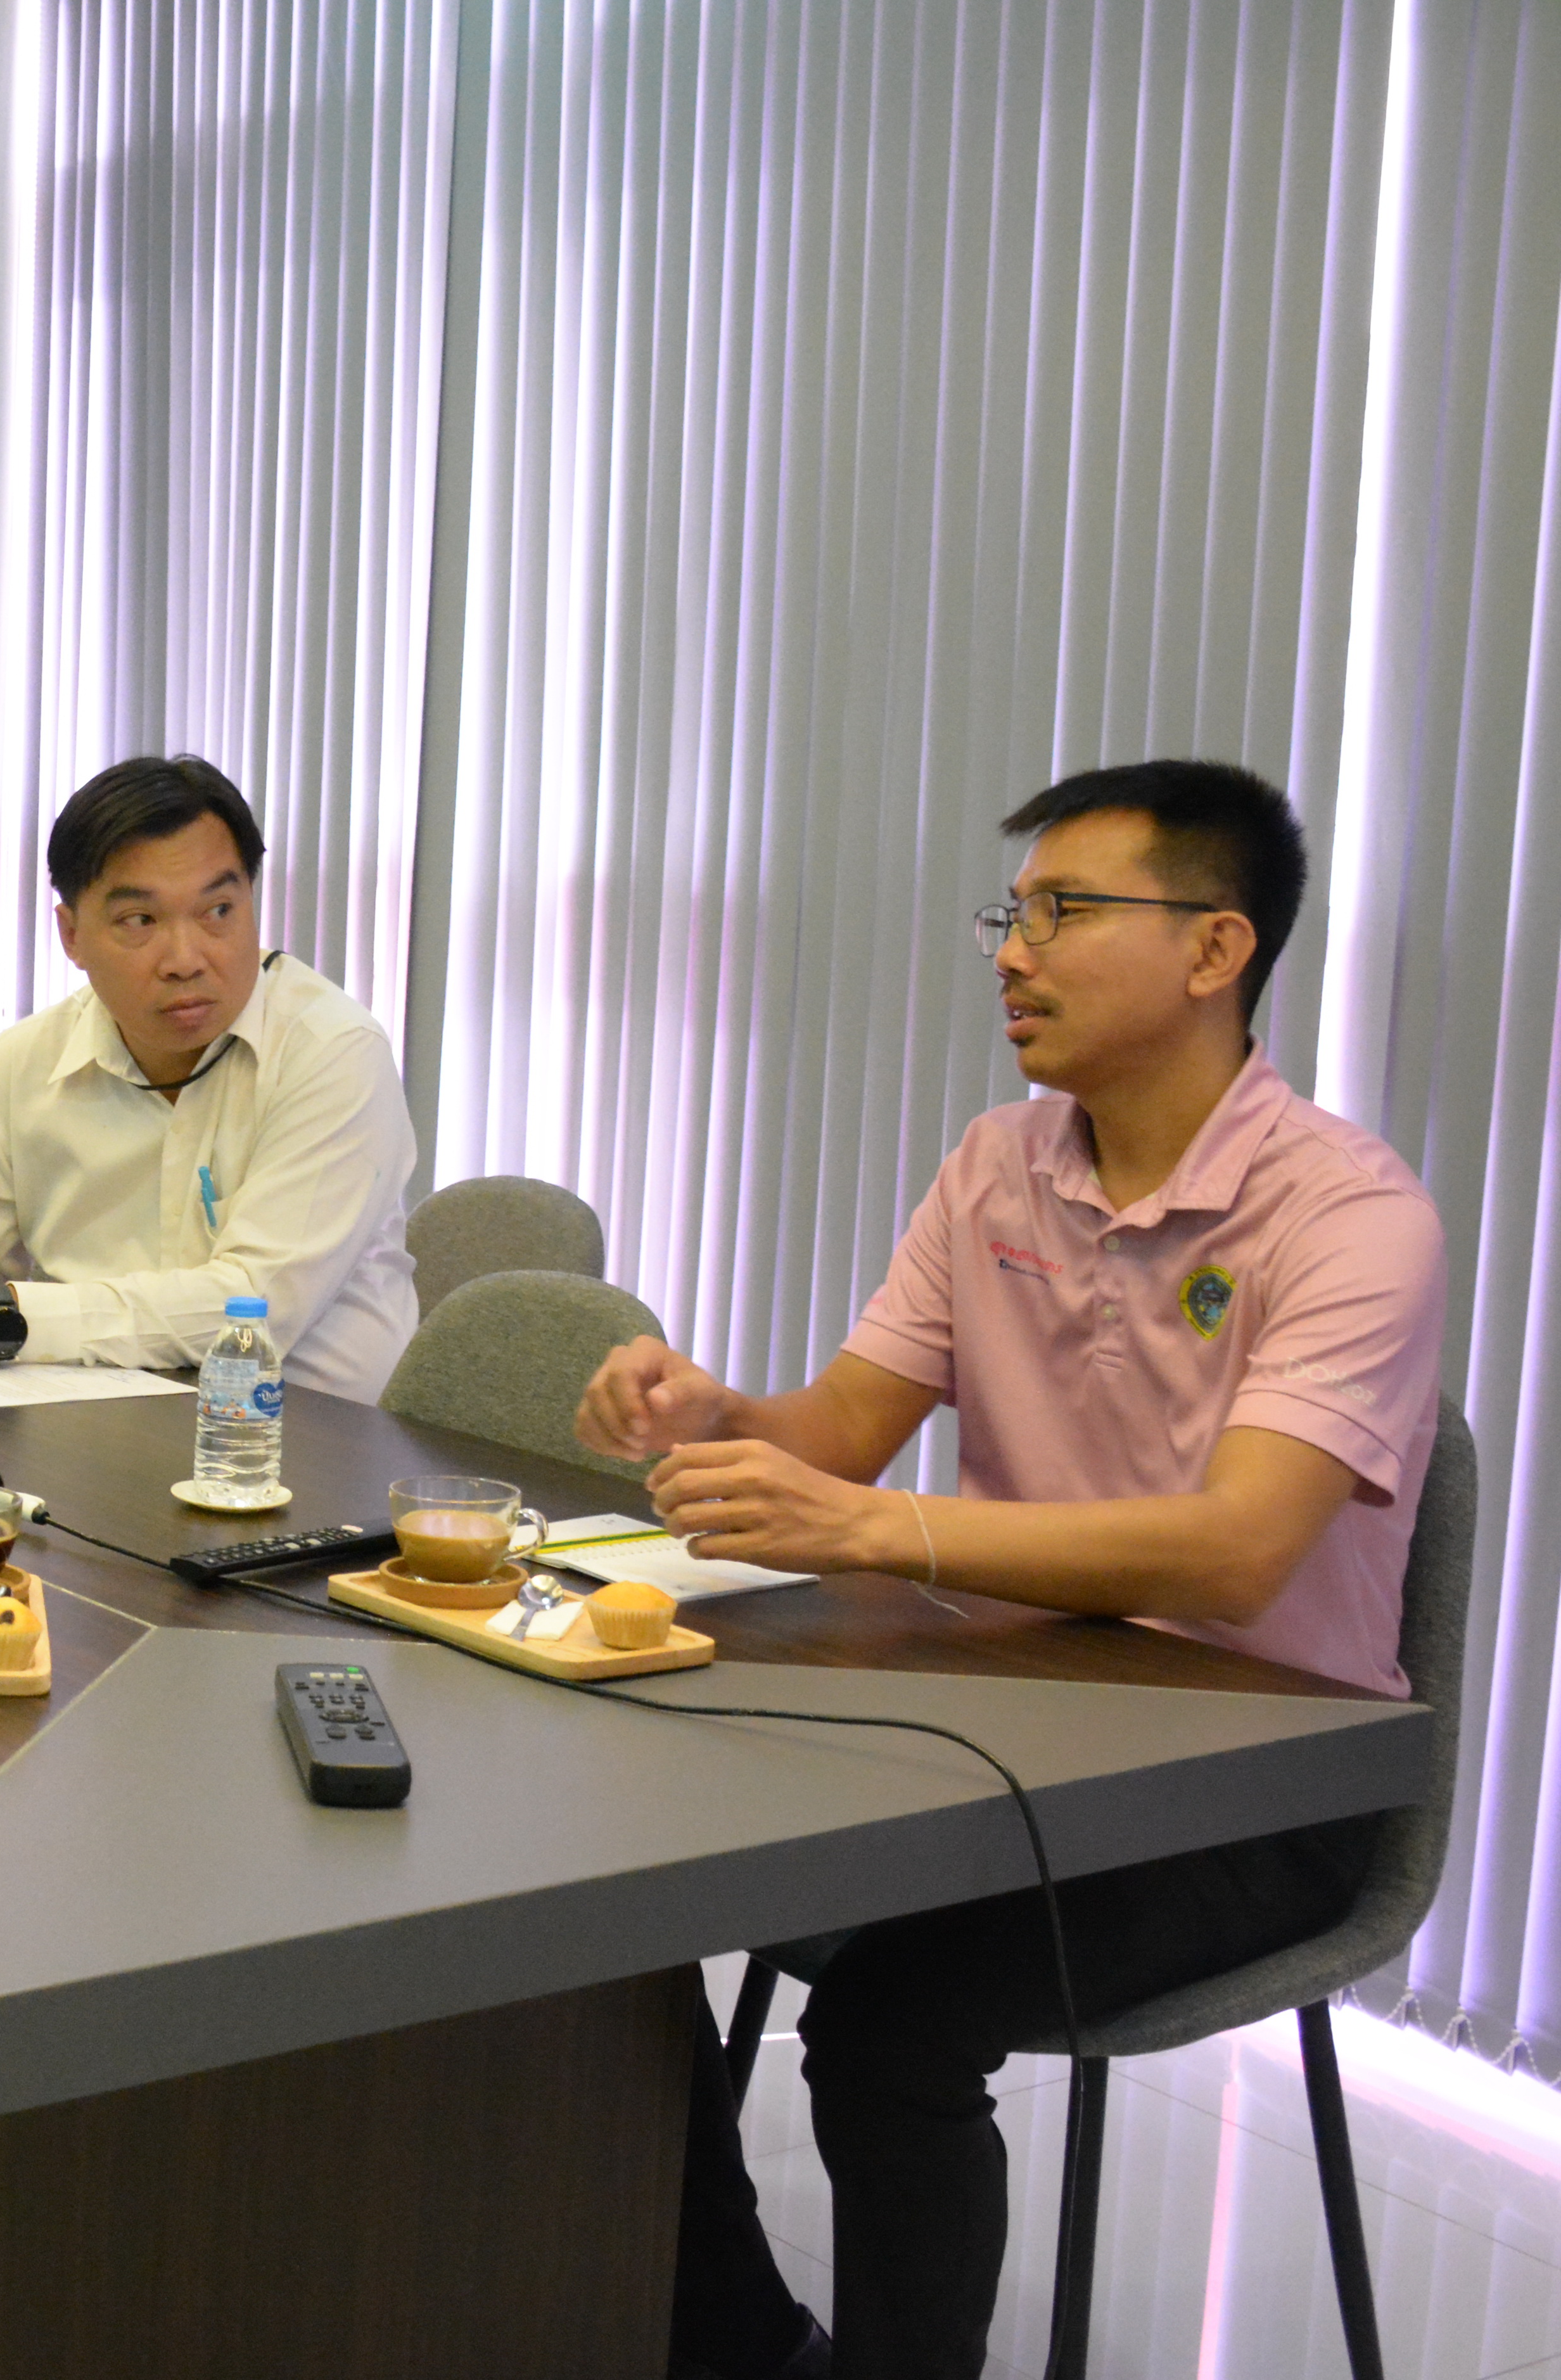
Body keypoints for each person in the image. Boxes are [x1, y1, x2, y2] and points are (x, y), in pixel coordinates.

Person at [578, 761, 1446, 2380]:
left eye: (1063, 911)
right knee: (598, 1907)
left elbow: (1239, 1551)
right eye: (1013, 913)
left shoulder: (1348, 1212)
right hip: (1005, 1723)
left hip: (1251, 1786)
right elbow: (841, 1429)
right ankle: (738, 2343)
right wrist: (716, 1412)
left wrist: (883, 1532)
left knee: (887, 2028)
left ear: (1214, 949)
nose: (1012, 952)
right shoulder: (998, 1162)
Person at [0, 754, 421, 1403]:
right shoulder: (25, 1064)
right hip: (93, 1418)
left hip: (302, 1439)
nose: (186, 958)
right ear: (71, 935)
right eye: (141, 921)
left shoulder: (332, 1054)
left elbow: (252, 1307)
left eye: (219, 911)